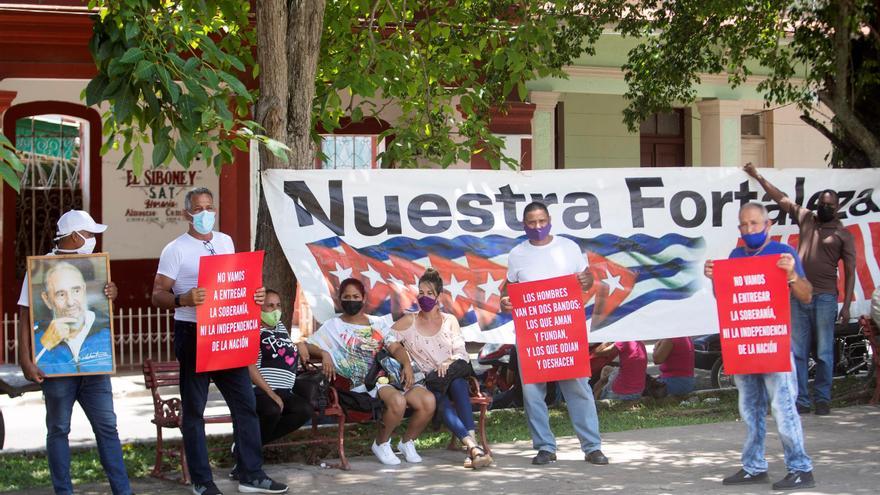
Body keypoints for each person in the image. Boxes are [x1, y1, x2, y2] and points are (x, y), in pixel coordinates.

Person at [151, 187, 287, 495]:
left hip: (227, 333)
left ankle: (251, 473)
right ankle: (202, 480)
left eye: (209, 207)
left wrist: (256, 293)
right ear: (186, 214)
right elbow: (157, 294)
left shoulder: (225, 242)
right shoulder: (176, 249)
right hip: (194, 334)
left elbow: (236, 282)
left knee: (246, 405)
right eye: (198, 209)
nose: (205, 214)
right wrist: (182, 298)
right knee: (195, 410)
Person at [17, 210, 132, 495]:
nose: (93, 239)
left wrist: (110, 297)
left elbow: (102, 313)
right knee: (58, 431)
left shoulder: (94, 266)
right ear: (73, 235)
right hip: (57, 371)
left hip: (95, 370)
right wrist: (25, 360)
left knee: (108, 430)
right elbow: (23, 316)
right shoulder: (39, 268)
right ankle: (63, 492)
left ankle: (123, 491)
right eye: (89, 234)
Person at [704, 202, 815, 490]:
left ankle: (801, 467)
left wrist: (791, 275)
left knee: (783, 407)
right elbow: (727, 298)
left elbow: (806, 296)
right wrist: (716, 278)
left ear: (767, 226)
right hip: (745, 345)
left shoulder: (784, 253)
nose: (749, 229)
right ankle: (754, 466)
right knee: (750, 409)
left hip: (774, 343)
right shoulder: (735, 256)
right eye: (744, 225)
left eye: (754, 223)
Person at [499, 201, 608, 466]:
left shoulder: (568, 247)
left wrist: (587, 281)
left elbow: (587, 279)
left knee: (578, 388)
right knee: (533, 393)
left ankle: (592, 447)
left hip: (565, 332)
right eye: (531, 223)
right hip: (532, 335)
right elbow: (508, 289)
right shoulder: (517, 255)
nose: (537, 227)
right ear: (524, 226)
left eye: (541, 221)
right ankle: (545, 447)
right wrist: (505, 301)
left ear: (549, 221)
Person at [744, 162, 856, 415]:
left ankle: (823, 399)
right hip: (797, 294)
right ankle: (802, 400)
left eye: (830, 205)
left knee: (826, 352)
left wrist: (846, 305)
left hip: (826, 298)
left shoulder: (843, 234)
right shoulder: (806, 218)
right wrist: (757, 176)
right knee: (798, 352)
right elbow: (781, 198)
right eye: (822, 203)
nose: (824, 207)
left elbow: (850, 272)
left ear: (837, 209)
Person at [305, 278, 435, 466]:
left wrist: (406, 365)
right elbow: (307, 345)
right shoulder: (333, 326)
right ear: (340, 300)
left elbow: (396, 348)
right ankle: (381, 443)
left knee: (428, 401)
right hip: (365, 382)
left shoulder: (378, 323)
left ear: (364, 298)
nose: (351, 300)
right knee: (398, 401)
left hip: (392, 375)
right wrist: (324, 353)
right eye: (346, 297)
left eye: (355, 296)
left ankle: (407, 443)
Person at [391, 268, 493, 469]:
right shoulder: (409, 321)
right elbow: (387, 341)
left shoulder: (449, 320)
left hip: (451, 374)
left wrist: (448, 361)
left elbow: (461, 352)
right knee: (442, 401)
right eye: (421, 293)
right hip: (430, 382)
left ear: (438, 296)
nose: (424, 297)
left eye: (429, 293)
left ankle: (471, 449)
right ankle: (473, 448)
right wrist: (405, 363)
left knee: (457, 383)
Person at [230, 289, 312, 480]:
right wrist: (270, 393)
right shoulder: (252, 329)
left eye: (278, 305)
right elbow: (249, 366)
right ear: (259, 307)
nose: (275, 310)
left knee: (304, 410)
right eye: (269, 306)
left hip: (285, 391)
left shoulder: (280, 328)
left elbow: (288, 347)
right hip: (260, 390)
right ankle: (247, 461)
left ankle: (243, 447)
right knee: (272, 409)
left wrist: (300, 344)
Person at [32, 261, 114, 375]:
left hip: (96, 383)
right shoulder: (36, 333)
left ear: (84, 290)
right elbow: (33, 369)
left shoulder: (105, 325)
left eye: (76, 291)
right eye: (61, 294)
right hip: (59, 385)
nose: (70, 302)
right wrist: (46, 344)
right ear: (47, 300)